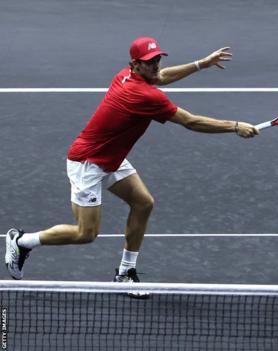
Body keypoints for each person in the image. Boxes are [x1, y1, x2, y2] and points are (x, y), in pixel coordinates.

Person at [5, 37, 258, 297]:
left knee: (143, 203)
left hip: (111, 157)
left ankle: (125, 272)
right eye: (150, 62)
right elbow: (191, 122)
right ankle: (22, 242)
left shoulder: (126, 75)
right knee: (86, 233)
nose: (156, 65)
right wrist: (235, 126)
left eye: (158, 59)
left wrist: (200, 64)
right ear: (136, 64)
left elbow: (160, 77)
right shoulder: (143, 96)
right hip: (88, 163)